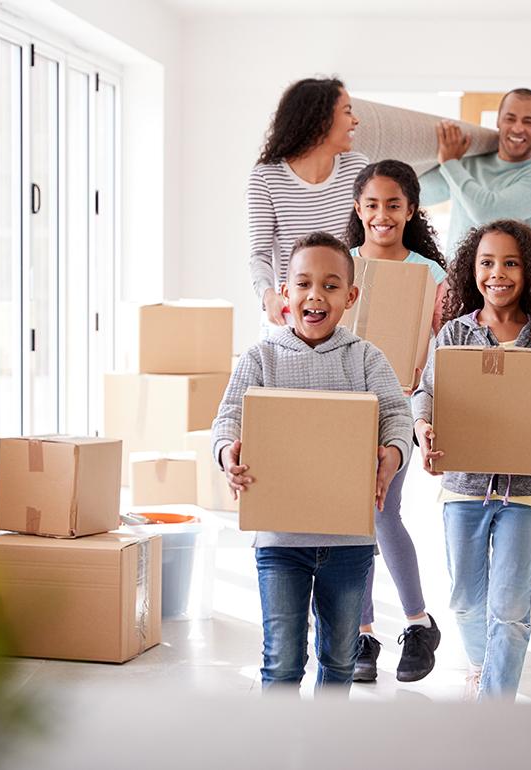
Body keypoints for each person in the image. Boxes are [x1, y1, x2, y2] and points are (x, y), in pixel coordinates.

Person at [212, 232, 412, 694]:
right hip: (280, 541)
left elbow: (397, 416)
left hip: (348, 543)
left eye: (330, 285)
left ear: (351, 296)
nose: (315, 295)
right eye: (303, 284)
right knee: (281, 660)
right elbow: (226, 420)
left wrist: (394, 453)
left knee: (339, 661)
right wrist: (228, 454)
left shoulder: (365, 358)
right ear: (285, 292)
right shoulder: (261, 358)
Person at [410, 219, 531, 702]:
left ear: (530, 273)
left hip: (524, 491)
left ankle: (494, 705)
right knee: (466, 601)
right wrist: (423, 429)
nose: (497, 273)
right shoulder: (454, 334)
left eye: (511, 263)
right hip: (463, 488)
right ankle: (483, 668)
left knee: (510, 609)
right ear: (473, 270)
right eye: (487, 262)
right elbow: (428, 393)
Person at [342, 159, 447, 683]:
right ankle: (362, 636)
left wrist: (430, 418)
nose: (382, 215)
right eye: (372, 205)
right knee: (352, 518)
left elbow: (446, 351)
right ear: (358, 209)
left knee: (382, 511)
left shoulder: (430, 275)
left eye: (393, 205)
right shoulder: (340, 265)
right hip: (340, 408)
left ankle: (417, 623)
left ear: (410, 211)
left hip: (399, 407)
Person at [248, 78, 368, 336]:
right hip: (290, 317)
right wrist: (269, 296)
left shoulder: (357, 168)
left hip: (343, 316)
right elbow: (259, 254)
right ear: (320, 119)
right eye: (347, 111)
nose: (355, 120)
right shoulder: (266, 177)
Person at [419, 88, 531, 257]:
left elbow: (489, 215)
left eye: (528, 121)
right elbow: (420, 194)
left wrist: (449, 162)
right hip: (455, 280)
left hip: (508, 281)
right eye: (510, 119)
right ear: (498, 121)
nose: (518, 128)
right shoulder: (468, 162)